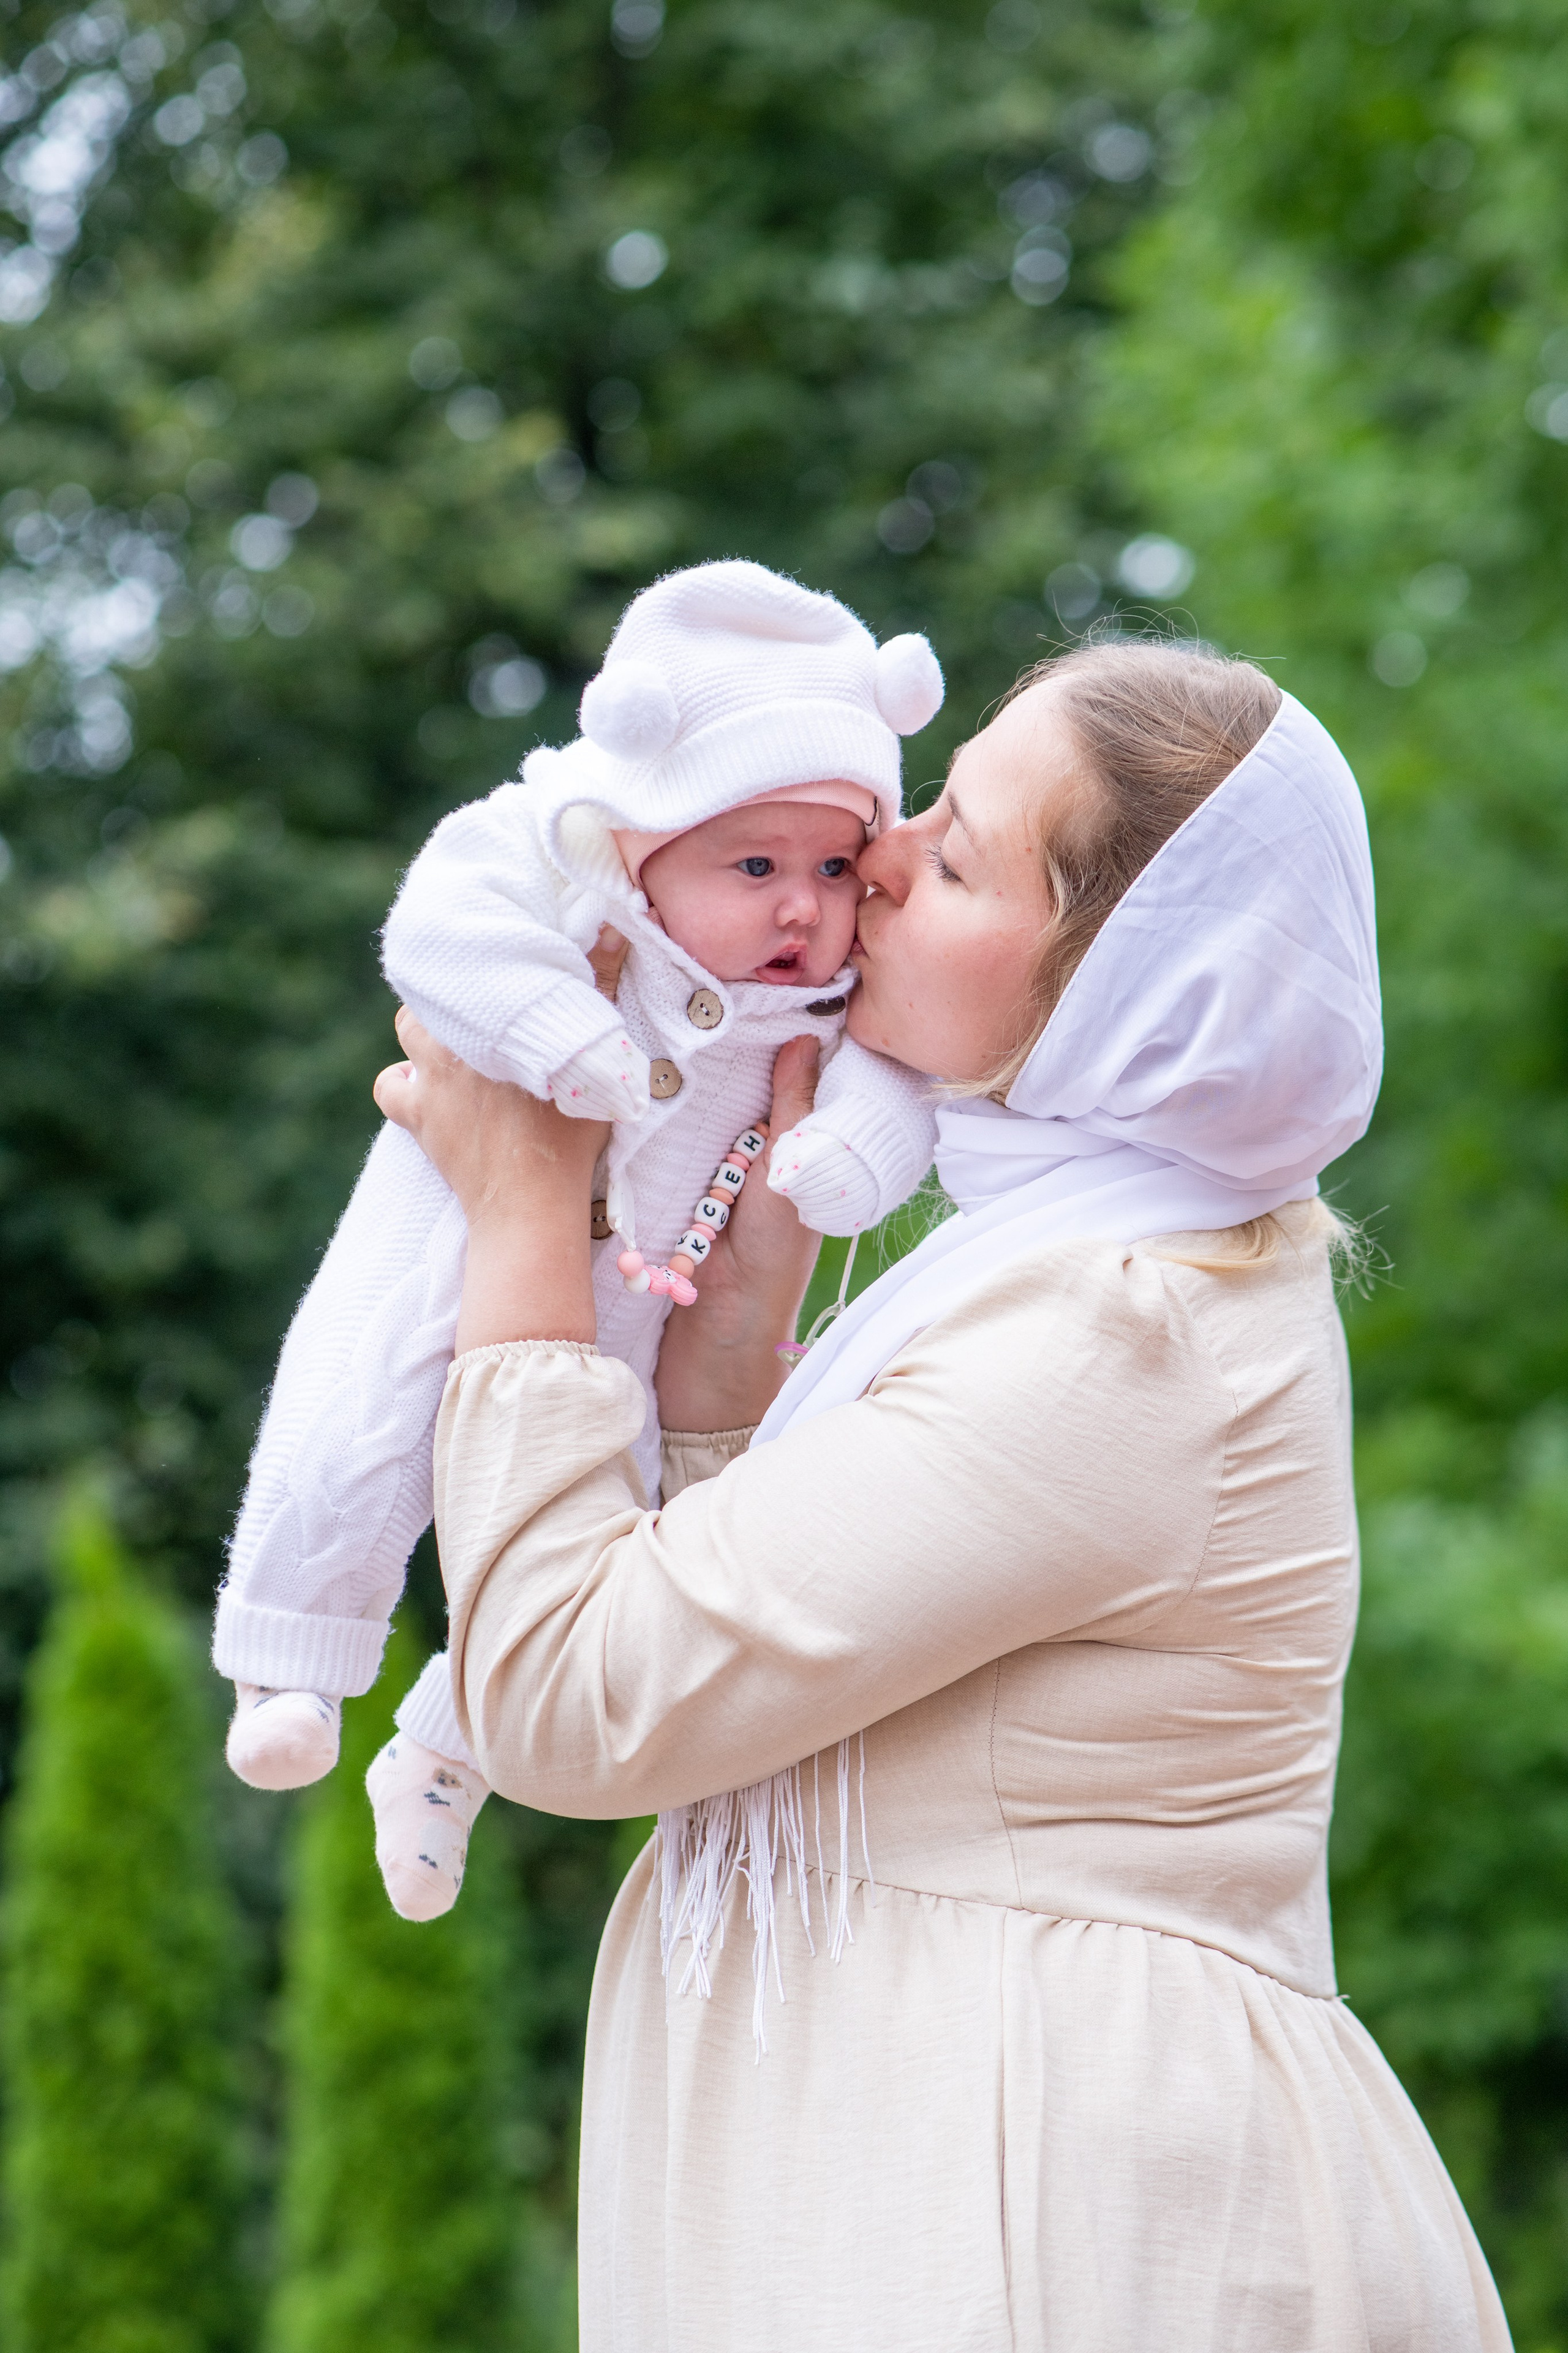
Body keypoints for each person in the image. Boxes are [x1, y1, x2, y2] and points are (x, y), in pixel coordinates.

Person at [374, 637, 1512, 2351]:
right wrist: (727, 1366)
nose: (882, 852)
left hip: (1063, 2222)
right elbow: (757, 1691)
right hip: (972, 2173)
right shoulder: (1078, 1281)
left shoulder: (1124, 1330)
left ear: (1125, 986)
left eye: (964, 855)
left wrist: (529, 1204)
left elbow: (573, 1698)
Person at [212, 562, 941, 1919]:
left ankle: (446, 1747)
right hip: (458, 1196)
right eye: (755, 864)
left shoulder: (840, 994)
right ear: (644, 840)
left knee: (637, 1515)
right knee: (360, 1395)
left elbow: (899, 1088)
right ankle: (288, 1651)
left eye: (835, 866)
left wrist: (847, 1157)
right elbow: (439, 924)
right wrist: (555, 1033)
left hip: (657, 1299)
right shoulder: (559, 858)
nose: (801, 907)